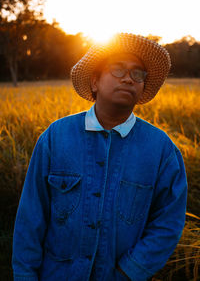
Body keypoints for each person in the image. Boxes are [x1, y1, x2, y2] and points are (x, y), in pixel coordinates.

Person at [12, 33, 187, 281]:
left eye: (138, 74)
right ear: (95, 82)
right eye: (118, 70)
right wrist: (25, 274)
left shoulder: (163, 151)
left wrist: (128, 272)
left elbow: (168, 223)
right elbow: (31, 215)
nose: (128, 78)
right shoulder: (55, 137)